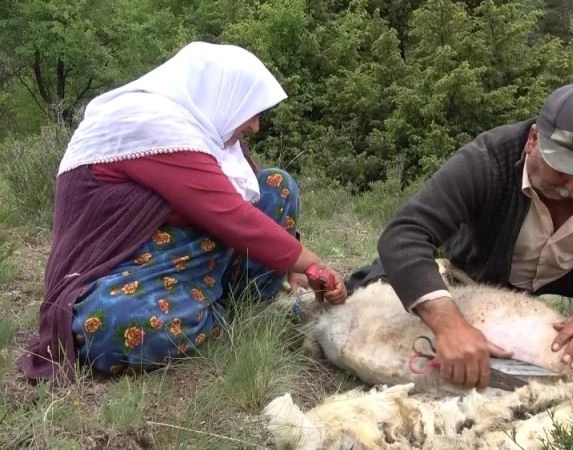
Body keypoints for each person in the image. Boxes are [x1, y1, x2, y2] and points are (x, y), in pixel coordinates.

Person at [17, 42, 347, 384]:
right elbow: (231, 216)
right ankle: (222, 315)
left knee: (276, 186)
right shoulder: (150, 124)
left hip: (183, 260)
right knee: (114, 323)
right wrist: (312, 265)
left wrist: (292, 263)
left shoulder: (201, 130)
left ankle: (231, 305)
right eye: (253, 112)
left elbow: (246, 199)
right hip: (121, 267)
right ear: (224, 95)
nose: (254, 126)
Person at [368, 83, 573, 390]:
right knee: (384, 276)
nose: (571, 187)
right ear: (533, 139)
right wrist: (448, 323)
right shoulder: (487, 160)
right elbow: (405, 234)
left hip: (571, 273)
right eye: (564, 166)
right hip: (482, 272)